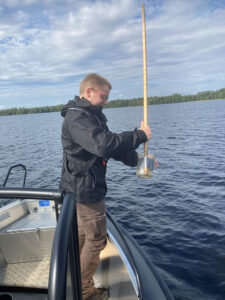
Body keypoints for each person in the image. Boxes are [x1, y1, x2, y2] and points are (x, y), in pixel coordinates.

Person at [60, 73, 151, 300]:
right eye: (104, 96)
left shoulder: (92, 116)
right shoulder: (77, 118)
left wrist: (137, 159)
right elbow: (103, 145)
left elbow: (111, 147)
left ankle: (72, 275)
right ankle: (84, 291)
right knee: (96, 239)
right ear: (88, 92)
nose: (107, 101)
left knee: (82, 236)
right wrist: (139, 135)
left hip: (82, 187)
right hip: (85, 190)